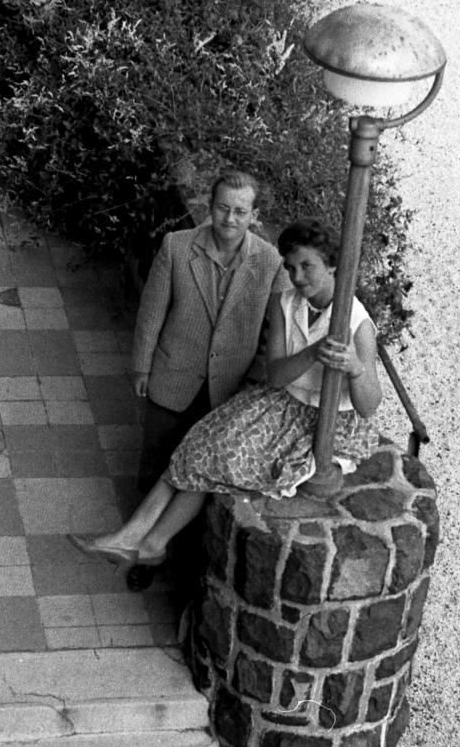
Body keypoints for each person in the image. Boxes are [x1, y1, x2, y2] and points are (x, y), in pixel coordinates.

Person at [69, 220, 382, 570]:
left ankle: (146, 542)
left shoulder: (356, 323)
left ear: (332, 265)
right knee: (199, 442)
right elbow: (276, 376)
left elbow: (368, 406)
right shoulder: (287, 302)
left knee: (214, 457)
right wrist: (312, 352)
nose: (297, 277)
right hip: (281, 402)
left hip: (323, 421)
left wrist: (355, 367)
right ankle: (137, 539)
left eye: (307, 266)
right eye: (291, 267)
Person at [123, 169, 286, 590]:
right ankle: (142, 552)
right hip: (173, 377)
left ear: (254, 215)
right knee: (159, 462)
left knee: (203, 476)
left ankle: (176, 552)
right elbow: (152, 313)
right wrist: (141, 367)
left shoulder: (269, 261)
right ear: (208, 207)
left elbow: (280, 327)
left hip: (228, 390)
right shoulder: (176, 247)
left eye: (240, 211)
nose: (230, 219)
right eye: (222, 208)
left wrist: (256, 377)